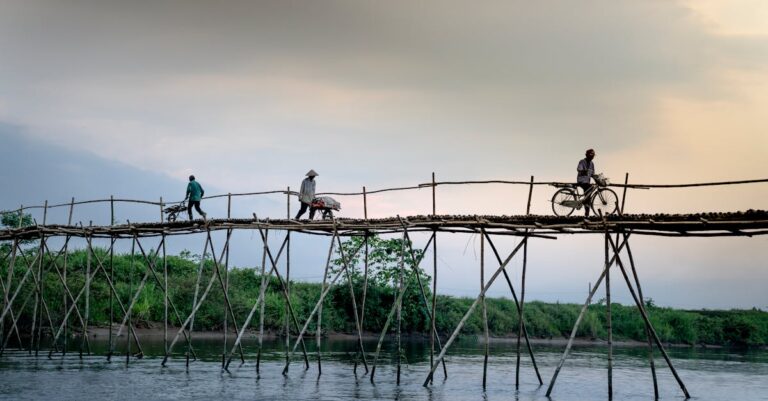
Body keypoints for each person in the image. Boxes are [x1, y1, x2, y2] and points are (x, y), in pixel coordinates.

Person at [577, 149, 596, 217]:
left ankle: (586, 208)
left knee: (588, 194)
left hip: (587, 182)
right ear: (587, 155)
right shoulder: (582, 161)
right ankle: (586, 209)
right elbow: (579, 169)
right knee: (588, 193)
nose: (592, 156)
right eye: (591, 154)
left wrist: (597, 178)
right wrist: (585, 171)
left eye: (593, 155)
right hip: (581, 180)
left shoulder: (592, 163)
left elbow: (593, 174)